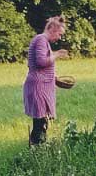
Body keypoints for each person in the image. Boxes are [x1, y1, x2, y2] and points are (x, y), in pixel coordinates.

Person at [23, 14, 67, 146]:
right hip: (38, 87)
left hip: (40, 85)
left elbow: (40, 65)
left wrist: (54, 78)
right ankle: (38, 149)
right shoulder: (41, 40)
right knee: (40, 122)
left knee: (41, 122)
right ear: (52, 29)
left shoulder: (42, 41)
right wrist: (57, 54)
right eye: (59, 34)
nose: (59, 38)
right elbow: (41, 62)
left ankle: (37, 149)